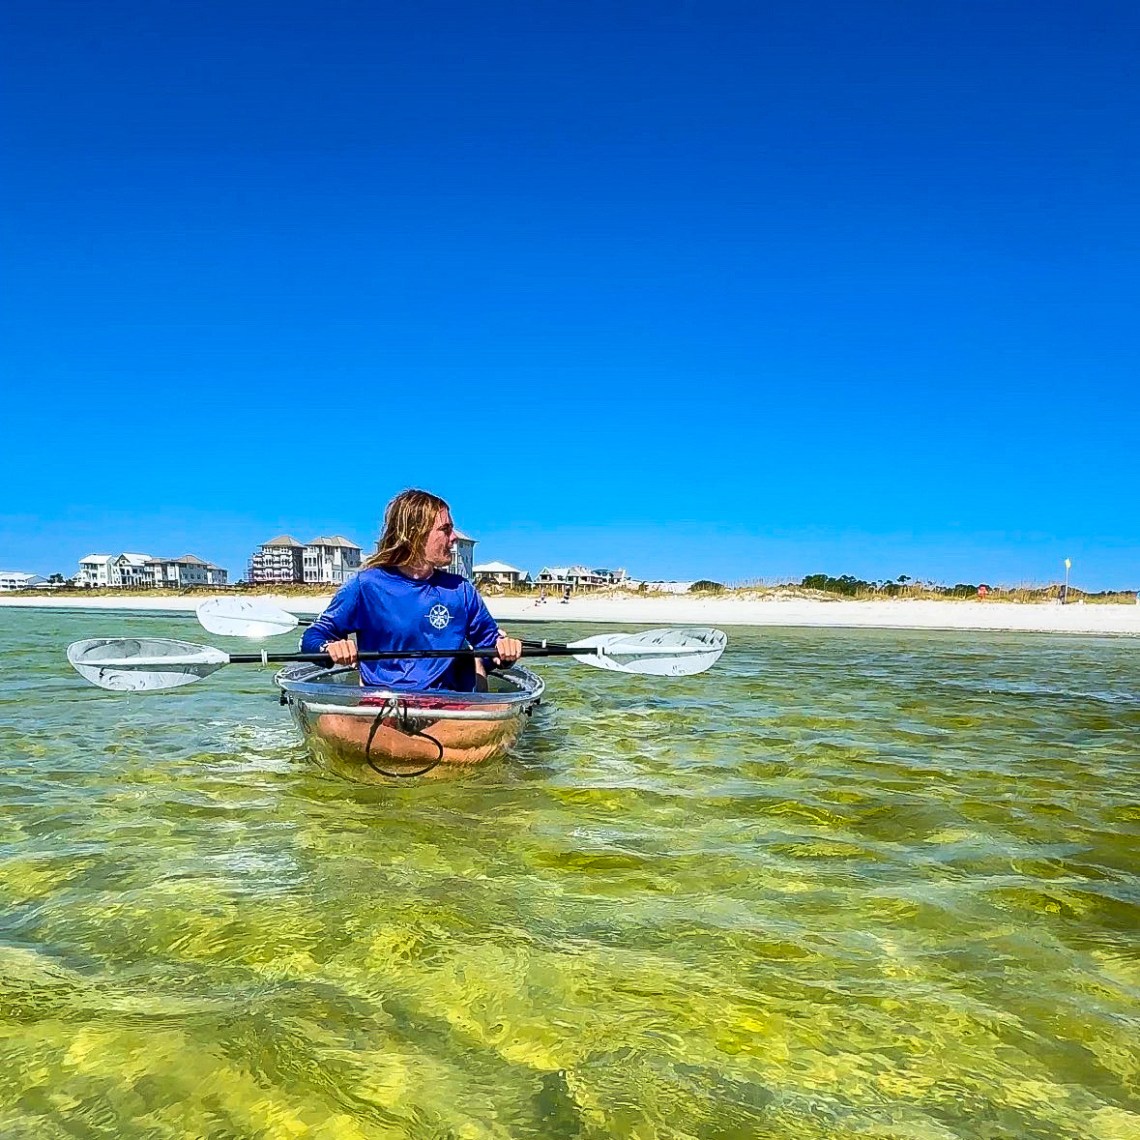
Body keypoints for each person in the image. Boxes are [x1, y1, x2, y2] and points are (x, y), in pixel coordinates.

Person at [301, 489, 522, 691]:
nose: (454, 537)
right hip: (386, 703)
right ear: (416, 534)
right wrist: (329, 648)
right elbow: (310, 638)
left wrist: (504, 652)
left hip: (450, 706)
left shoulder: (461, 590)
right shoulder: (365, 586)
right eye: (445, 530)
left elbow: (490, 646)